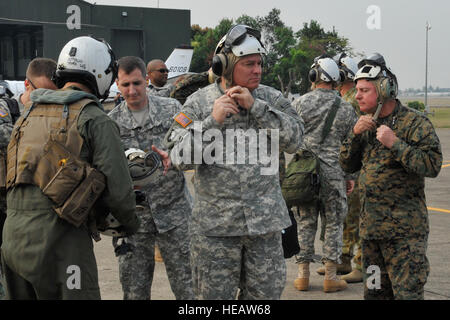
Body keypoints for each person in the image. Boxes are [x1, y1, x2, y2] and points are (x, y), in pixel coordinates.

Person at [163, 24, 304, 300]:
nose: (257, 70)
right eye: (249, 63)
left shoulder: (272, 99)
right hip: (215, 231)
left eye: (259, 63)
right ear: (225, 65)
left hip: (264, 228)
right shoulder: (197, 104)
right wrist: (210, 123)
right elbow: (178, 157)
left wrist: (258, 108)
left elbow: (296, 140)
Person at [0, 36, 140, 300]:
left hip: (13, 240)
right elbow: (120, 194)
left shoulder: (25, 115)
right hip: (62, 243)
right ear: (101, 74)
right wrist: (132, 224)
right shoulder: (95, 119)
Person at [339, 53, 442, 299]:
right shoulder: (364, 124)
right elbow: (345, 164)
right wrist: (354, 134)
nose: (358, 95)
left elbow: (432, 164)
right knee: (375, 294)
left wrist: (395, 144)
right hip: (371, 236)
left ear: (384, 90)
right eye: (357, 90)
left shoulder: (415, 124)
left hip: (404, 237)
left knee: (407, 295)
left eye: (364, 90)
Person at [109, 56, 194, 300]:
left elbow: (190, 149)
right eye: (125, 85)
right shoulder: (111, 123)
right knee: (135, 292)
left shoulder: (171, 110)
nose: (132, 90)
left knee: (189, 289)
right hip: (134, 220)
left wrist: (175, 156)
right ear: (117, 84)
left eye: (136, 83)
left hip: (175, 214)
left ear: (146, 80)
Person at [292, 55, 357, 293]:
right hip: (334, 173)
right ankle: (330, 276)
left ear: (313, 77)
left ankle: (302, 276)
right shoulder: (346, 107)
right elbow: (352, 146)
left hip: (305, 173)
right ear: (336, 79)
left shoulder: (300, 104)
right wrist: (350, 177)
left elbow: (291, 137)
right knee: (333, 224)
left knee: (305, 223)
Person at [0, 58, 58, 300]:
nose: (45, 99)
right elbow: (5, 136)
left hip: (38, 213)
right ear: (27, 85)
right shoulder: (8, 109)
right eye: (40, 91)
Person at [316, 53, 363, 283]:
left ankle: (359, 264)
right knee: (347, 217)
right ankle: (343, 259)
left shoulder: (350, 101)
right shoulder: (347, 99)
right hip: (346, 166)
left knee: (356, 217)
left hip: (352, 167)